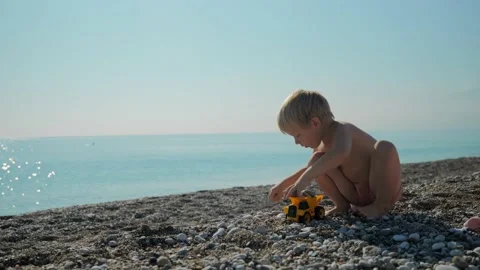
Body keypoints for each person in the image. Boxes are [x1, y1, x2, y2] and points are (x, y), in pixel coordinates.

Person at [268, 89, 402, 218]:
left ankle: (380, 206)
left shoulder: (343, 130)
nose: (296, 142)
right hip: (354, 195)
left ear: (315, 123)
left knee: (385, 147)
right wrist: (283, 185)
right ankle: (342, 205)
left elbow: (340, 153)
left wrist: (306, 179)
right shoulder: (321, 147)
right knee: (316, 160)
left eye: (297, 135)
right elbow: (310, 169)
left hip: (379, 191)